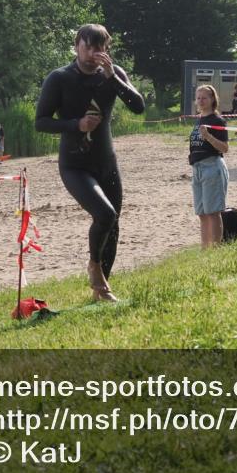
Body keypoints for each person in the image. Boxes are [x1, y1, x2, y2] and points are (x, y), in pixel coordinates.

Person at [36, 23, 145, 301]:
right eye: (87, 46)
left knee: (113, 223)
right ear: (76, 46)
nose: (93, 53)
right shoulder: (59, 78)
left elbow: (138, 106)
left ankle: (101, 290)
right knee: (105, 214)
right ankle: (94, 268)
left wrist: (113, 78)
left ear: (106, 49)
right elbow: (41, 122)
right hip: (74, 165)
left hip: (106, 161)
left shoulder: (113, 73)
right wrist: (76, 124)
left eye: (99, 47)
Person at [189, 85, 229, 248]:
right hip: (197, 168)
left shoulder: (217, 120)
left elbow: (224, 148)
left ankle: (216, 248)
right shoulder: (199, 119)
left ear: (212, 99)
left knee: (213, 212)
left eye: (204, 98)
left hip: (212, 166)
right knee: (202, 213)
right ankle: (205, 248)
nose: (200, 101)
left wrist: (209, 137)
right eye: (198, 98)